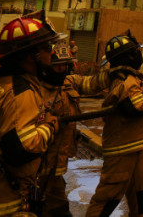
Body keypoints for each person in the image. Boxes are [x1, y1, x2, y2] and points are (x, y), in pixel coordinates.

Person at [0, 13, 62, 217]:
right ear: (29, 56)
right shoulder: (20, 93)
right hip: (2, 204)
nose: (52, 54)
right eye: (47, 48)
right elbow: (21, 149)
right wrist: (49, 126)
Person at [85, 34, 143, 217]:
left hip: (135, 146)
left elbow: (142, 95)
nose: (139, 53)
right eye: (136, 51)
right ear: (130, 57)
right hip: (122, 150)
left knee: (141, 195)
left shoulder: (128, 78)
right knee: (108, 198)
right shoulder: (127, 82)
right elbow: (139, 107)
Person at [38, 40, 111, 217]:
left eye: (65, 65)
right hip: (38, 165)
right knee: (43, 206)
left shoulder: (69, 82)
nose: (62, 69)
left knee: (54, 203)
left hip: (58, 162)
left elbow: (93, 83)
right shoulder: (35, 89)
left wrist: (114, 72)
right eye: (57, 66)